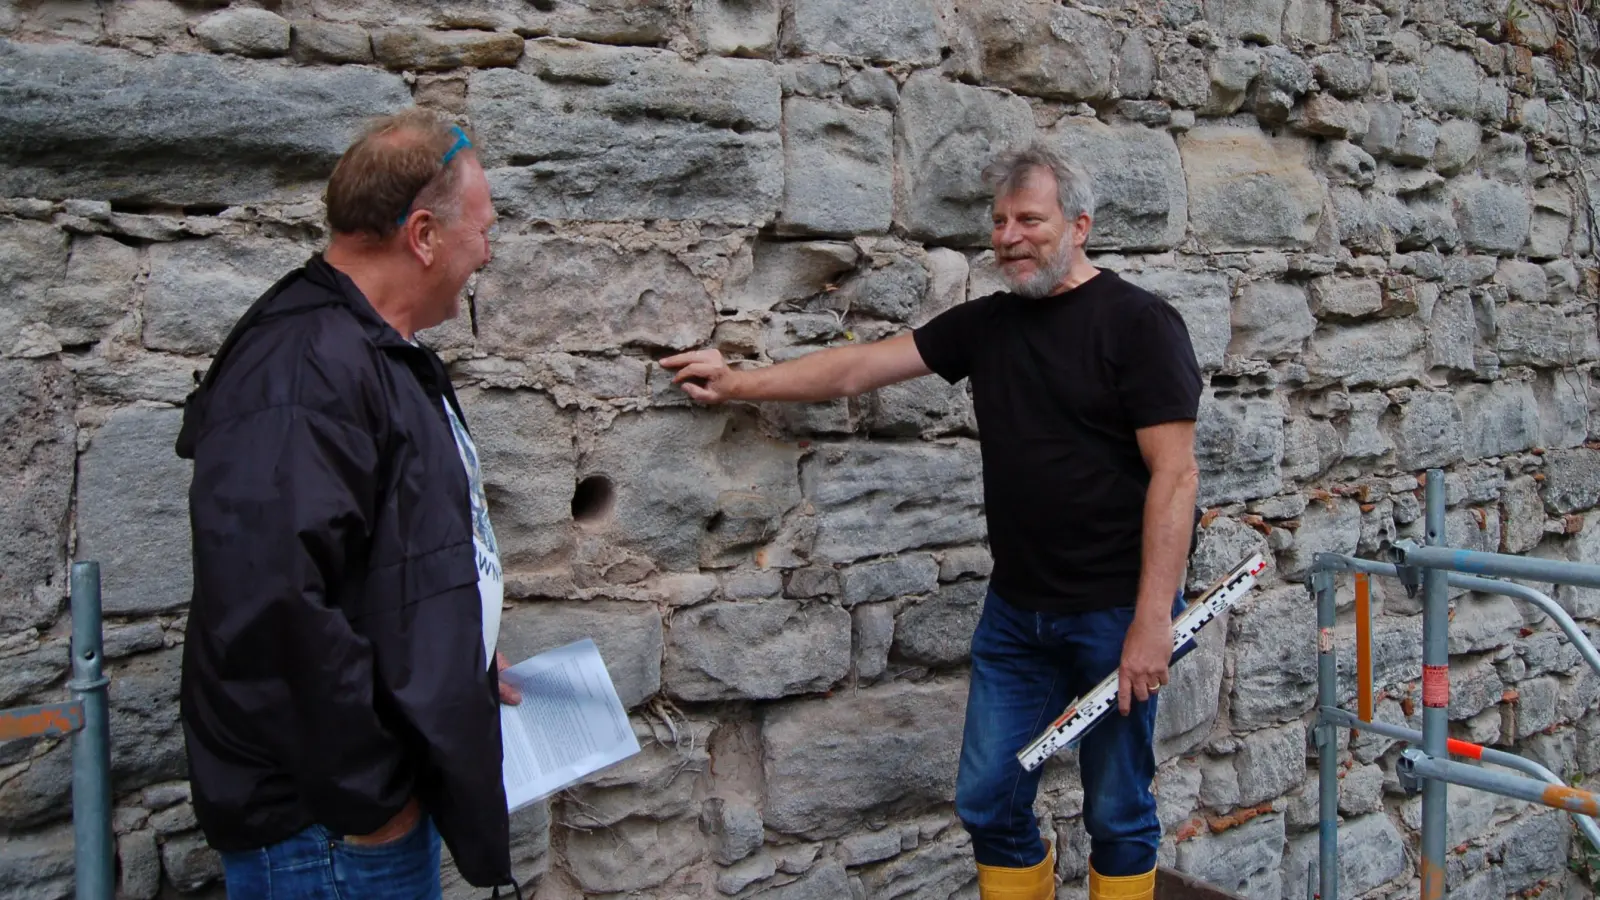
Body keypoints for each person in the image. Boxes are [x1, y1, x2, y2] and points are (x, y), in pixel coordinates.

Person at [662, 144, 1202, 900]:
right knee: (987, 800)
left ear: (1080, 225)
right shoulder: (987, 325)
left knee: (1117, 809)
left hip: (1116, 613)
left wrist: (1152, 621)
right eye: (1000, 221)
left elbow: (1175, 476)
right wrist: (739, 381)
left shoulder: (1140, 324)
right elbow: (857, 369)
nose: (1009, 236)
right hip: (1019, 614)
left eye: (1030, 220)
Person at [176, 108, 523, 899]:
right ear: (425, 235)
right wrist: (374, 800)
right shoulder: (303, 370)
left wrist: (454, 648)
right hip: (331, 836)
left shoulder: (369, 349)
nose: (488, 250)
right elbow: (269, 608)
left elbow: (381, 556)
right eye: (482, 227)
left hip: (350, 822)